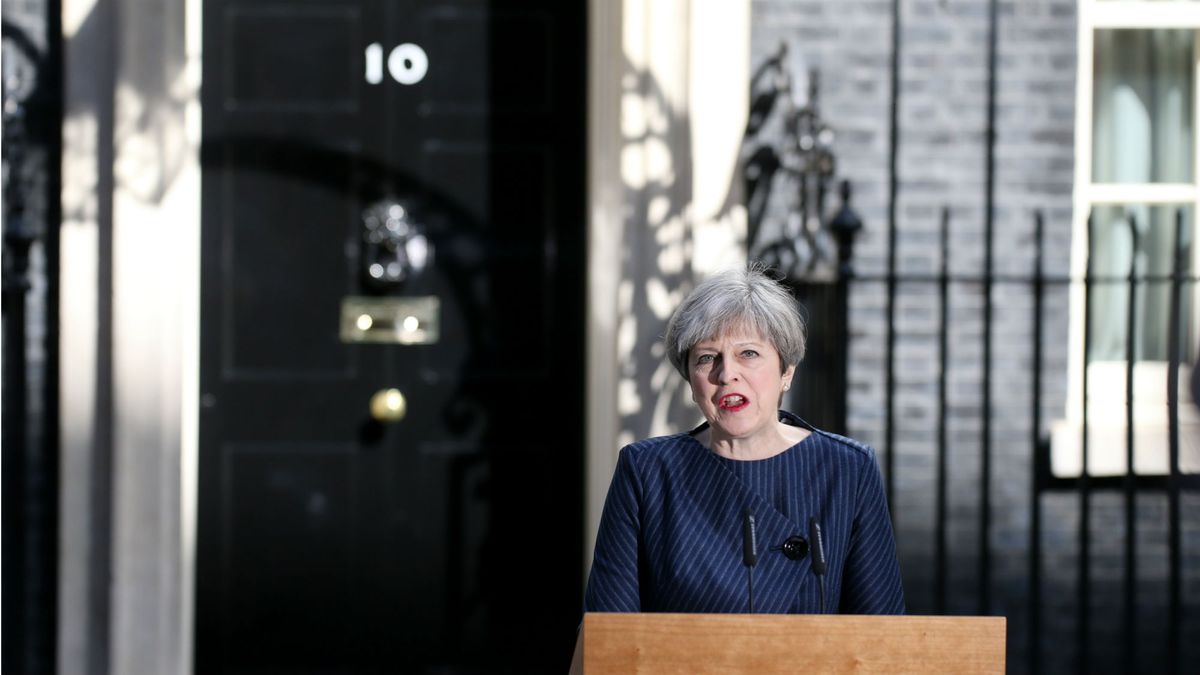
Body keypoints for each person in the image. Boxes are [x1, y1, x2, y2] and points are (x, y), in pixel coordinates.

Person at [583, 265, 904, 614]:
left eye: (748, 353)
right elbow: (609, 633)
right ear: (692, 383)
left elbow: (881, 635)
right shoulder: (647, 472)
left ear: (786, 372)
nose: (727, 374)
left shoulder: (848, 470)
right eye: (707, 358)